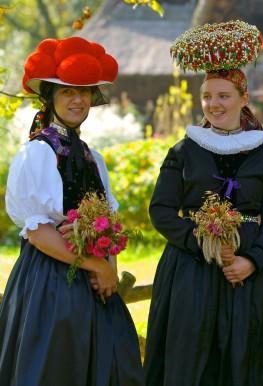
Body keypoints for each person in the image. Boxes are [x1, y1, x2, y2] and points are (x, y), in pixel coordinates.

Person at [144, 21, 263, 386]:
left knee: (246, 355)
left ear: (243, 99)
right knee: (192, 356)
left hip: (247, 273)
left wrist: (251, 262)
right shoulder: (183, 151)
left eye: (224, 96)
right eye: (207, 96)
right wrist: (202, 243)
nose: (214, 104)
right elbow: (160, 210)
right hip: (191, 270)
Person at [0, 37, 144, 386]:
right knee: (56, 367)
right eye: (67, 92)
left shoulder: (92, 156)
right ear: (50, 97)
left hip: (95, 283)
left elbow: (106, 224)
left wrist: (108, 267)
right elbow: (38, 232)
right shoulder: (39, 152)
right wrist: (96, 265)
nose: (78, 99)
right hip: (50, 282)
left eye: (84, 92)